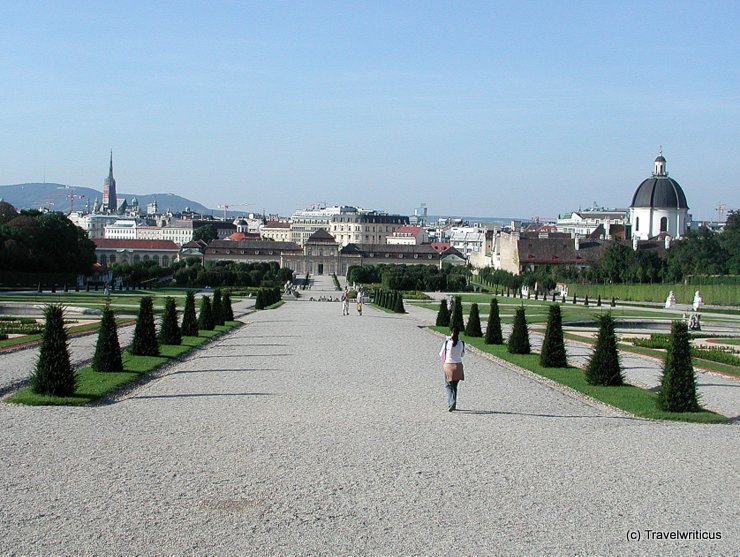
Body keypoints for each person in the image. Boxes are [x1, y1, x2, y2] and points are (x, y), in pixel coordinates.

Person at [439, 326, 465, 411]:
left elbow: (441, 354)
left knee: (448, 385)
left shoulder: (447, 342)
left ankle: (451, 402)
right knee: (455, 386)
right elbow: (462, 355)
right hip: (458, 366)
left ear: (451, 332)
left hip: (449, 365)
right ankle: (454, 403)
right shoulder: (462, 343)